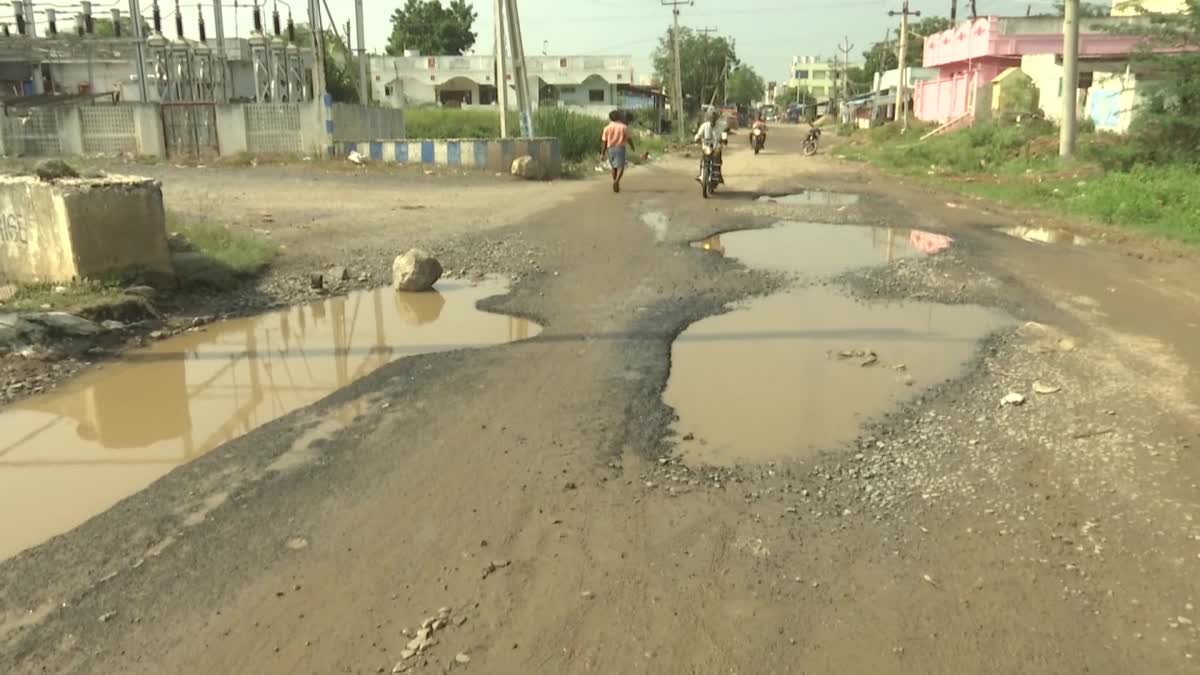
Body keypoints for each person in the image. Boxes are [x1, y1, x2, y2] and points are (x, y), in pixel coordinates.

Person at [600, 110, 635, 193]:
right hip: (620, 148)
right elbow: (628, 138)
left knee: (614, 167)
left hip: (610, 149)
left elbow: (604, 142)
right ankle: (616, 181)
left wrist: (602, 153)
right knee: (620, 167)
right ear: (619, 117)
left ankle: (615, 181)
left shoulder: (606, 128)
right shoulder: (623, 127)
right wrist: (632, 146)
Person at [694, 109, 722, 182]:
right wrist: (697, 138)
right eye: (711, 117)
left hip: (716, 146)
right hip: (706, 146)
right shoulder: (704, 126)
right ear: (709, 118)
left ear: (716, 118)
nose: (713, 119)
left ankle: (718, 174)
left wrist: (724, 139)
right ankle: (701, 174)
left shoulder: (719, 126)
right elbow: (699, 134)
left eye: (714, 117)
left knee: (718, 159)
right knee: (702, 159)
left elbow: (723, 135)